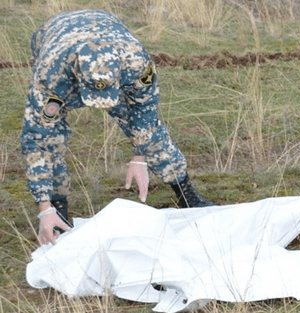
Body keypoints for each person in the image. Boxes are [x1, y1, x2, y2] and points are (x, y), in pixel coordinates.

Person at [20, 9, 215, 245]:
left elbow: (145, 110)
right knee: (51, 142)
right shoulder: (50, 75)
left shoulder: (135, 62)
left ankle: (186, 193)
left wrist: (139, 156)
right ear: (75, 72)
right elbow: (37, 140)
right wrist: (44, 207)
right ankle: (57, 211)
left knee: (150, 132)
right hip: (53, 34)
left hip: (106, 24)